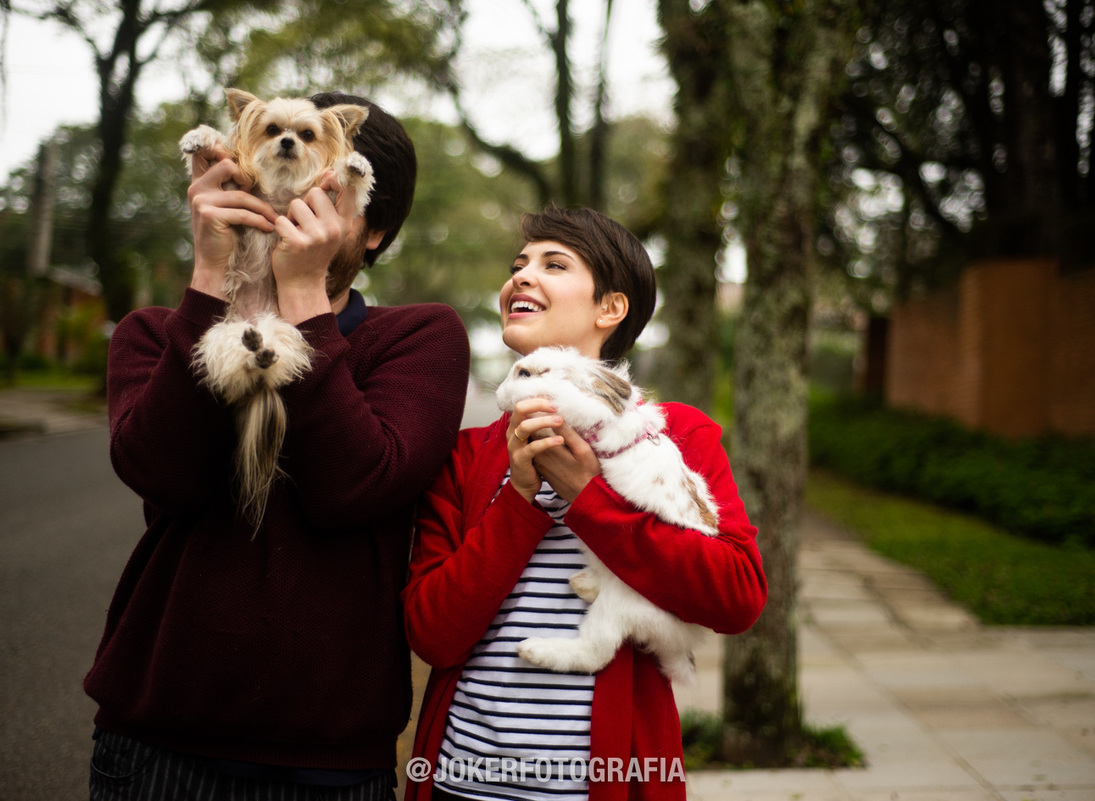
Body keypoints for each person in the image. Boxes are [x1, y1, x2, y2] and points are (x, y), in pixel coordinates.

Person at [84, 92, 471, 801]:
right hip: (155, 739)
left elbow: (353, 486)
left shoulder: (418, 339)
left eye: (330, 192)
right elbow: (163, 476)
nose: (295, 198)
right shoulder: (153, 332)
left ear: (374, 228)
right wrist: (209, 278)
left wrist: (302, 296)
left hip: (332, 758)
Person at [402, 206, 768, 801]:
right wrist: (519, 500)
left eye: (553, 264)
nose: (521, 275)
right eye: (518, 264)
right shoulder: (466, 455)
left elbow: (737, 596)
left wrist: (588, 498)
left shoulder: (676, 436)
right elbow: (433, 635)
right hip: (460, 780)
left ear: (610, 309)